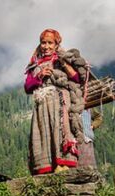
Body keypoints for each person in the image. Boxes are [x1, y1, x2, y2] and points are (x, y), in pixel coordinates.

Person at [24, 29, 81, 175]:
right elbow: (27, 87)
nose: (46, 46)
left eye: (50, 43)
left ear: (56, 44)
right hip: (42, 103)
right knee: (42, 133)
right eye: (43, 43)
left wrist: (64, 64)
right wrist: (40, 76)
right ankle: (45, 166)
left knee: (60, 129)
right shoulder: (35, 64)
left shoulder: (63, 59)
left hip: (60, 100)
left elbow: (76, 78)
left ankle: (63, 164)